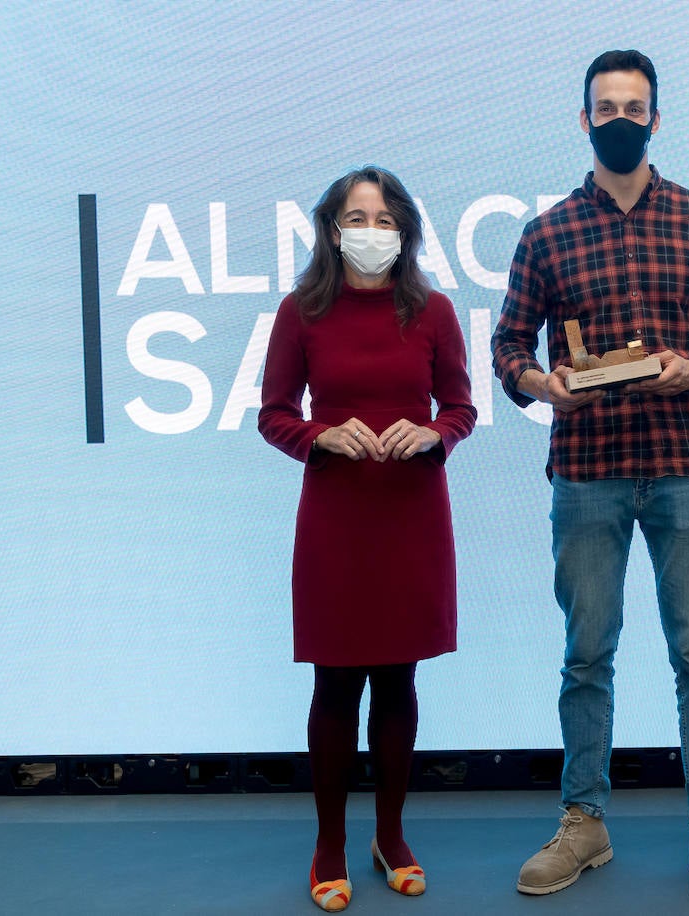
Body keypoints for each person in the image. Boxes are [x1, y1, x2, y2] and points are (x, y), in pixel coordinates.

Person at [491, 49, 689, 906]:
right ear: (583, 120)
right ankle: (584, 822)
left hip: (681, 468)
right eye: (605, 107)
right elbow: (507, 348)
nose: (620, 120)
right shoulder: (548, 231)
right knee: (586, 656)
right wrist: (541, 385)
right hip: (589, 473)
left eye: (634, 106)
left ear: (657, 118)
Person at [258, 166, 476, 912]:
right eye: (359, 218)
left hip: (412, 513)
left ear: (406, 231)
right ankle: (328, 845)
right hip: (336, 518)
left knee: (398, 680)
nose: (373, 232)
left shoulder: (435, 311)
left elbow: (461, 408)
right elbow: (274, 413)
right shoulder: (302, 312)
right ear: (330, 228)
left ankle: (390, 834)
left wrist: (433, 433)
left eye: (386, 220)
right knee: (335, 683)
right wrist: (321, 435)